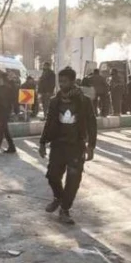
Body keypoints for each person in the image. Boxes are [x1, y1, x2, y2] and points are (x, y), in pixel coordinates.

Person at [38, 67, 97, 225]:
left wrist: (91, 146)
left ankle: (65, 209)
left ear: (72, 81)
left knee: (73, 179)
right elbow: (49, 123)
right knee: (52, 176)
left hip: (76, 146)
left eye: (64, 81)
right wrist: (42, 142)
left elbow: (92, 124)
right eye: (60, 81)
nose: (61, 84)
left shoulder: (84, 101)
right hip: (58, 145)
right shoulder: (54, 101)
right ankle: (58, 197)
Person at [0, 73, 17, 156]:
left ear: (1, 78)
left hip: (5, 111)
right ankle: (12, 147)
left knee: (1, 130)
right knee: (5, 130)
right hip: (1, 110)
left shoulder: (6, 88)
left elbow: (8, 100)